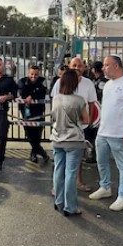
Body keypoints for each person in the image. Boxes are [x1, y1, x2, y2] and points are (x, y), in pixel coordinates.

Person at [89, 55, 123, 212]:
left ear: (116, 66)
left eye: (106, 65)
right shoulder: (109, 84)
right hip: (103, 131)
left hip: (119, 133)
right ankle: (105, 187)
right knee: (101, 161)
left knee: (122, 165)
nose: (103, 68)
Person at [50, 57, 98, 192]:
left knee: (77, 161)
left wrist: (89, 123)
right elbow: (54, 102)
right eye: (74, 65)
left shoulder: (88, 84)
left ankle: (78, 182)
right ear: (69, 67)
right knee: (61, 163)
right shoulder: (60, 82)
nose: (77, 68)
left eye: (80, 65)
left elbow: (92, 103)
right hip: (62, 129)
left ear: (84, 68)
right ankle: (58, 188)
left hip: (80, 130)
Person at [50, 69, 89, 216]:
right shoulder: (79, 100)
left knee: (58, 172)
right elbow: (87, 119)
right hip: (74, 140)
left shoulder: (56, 98)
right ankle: (70, 207)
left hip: (57, 139)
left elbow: (54, 117)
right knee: (71, 174)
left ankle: (58, 202)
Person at [18, 65, 49, 163]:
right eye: (31, 74)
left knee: (38, 134)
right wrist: (31, 94)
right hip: (26, 112)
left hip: (39, 112)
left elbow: (42, 93)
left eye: (36, 74)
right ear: (28, 73)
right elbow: (22, 92)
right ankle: (42, 153)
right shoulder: (22, 81)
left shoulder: (43, 81)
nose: (33, 76)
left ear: (39, 74)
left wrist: (31, 95)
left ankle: (34, 153)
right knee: (29, 134)